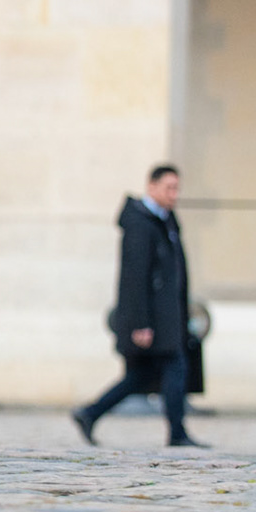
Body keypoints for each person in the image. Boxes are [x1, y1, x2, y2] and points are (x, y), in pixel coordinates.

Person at [73, 165, 205, 448]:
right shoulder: (140, 223)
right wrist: (140, 323)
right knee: (174, 366)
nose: (174, 194)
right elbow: (134, 277)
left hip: (168, 315)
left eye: (177, 188)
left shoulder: (166, 220)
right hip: (153, 318)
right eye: (169, 188)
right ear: (152, 187)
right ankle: (177, 432)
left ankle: (90, 412)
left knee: (141, 376)